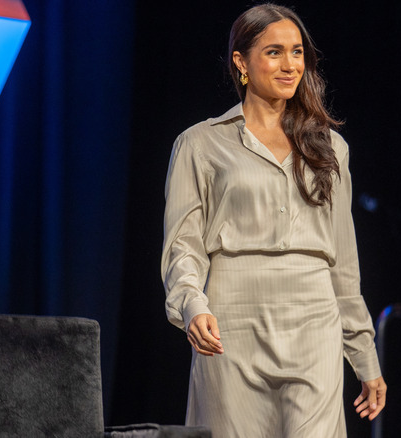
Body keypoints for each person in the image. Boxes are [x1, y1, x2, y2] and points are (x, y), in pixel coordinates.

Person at [160, 3, 386, 437]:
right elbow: (182, 245)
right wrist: (191, 304)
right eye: (274, 52)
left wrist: (364, 355)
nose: (290, 65)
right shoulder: (200, 143)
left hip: (314, 319)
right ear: (241, 62)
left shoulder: (330, 147)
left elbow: (343, 262)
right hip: (233, 318)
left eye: (298, 52)